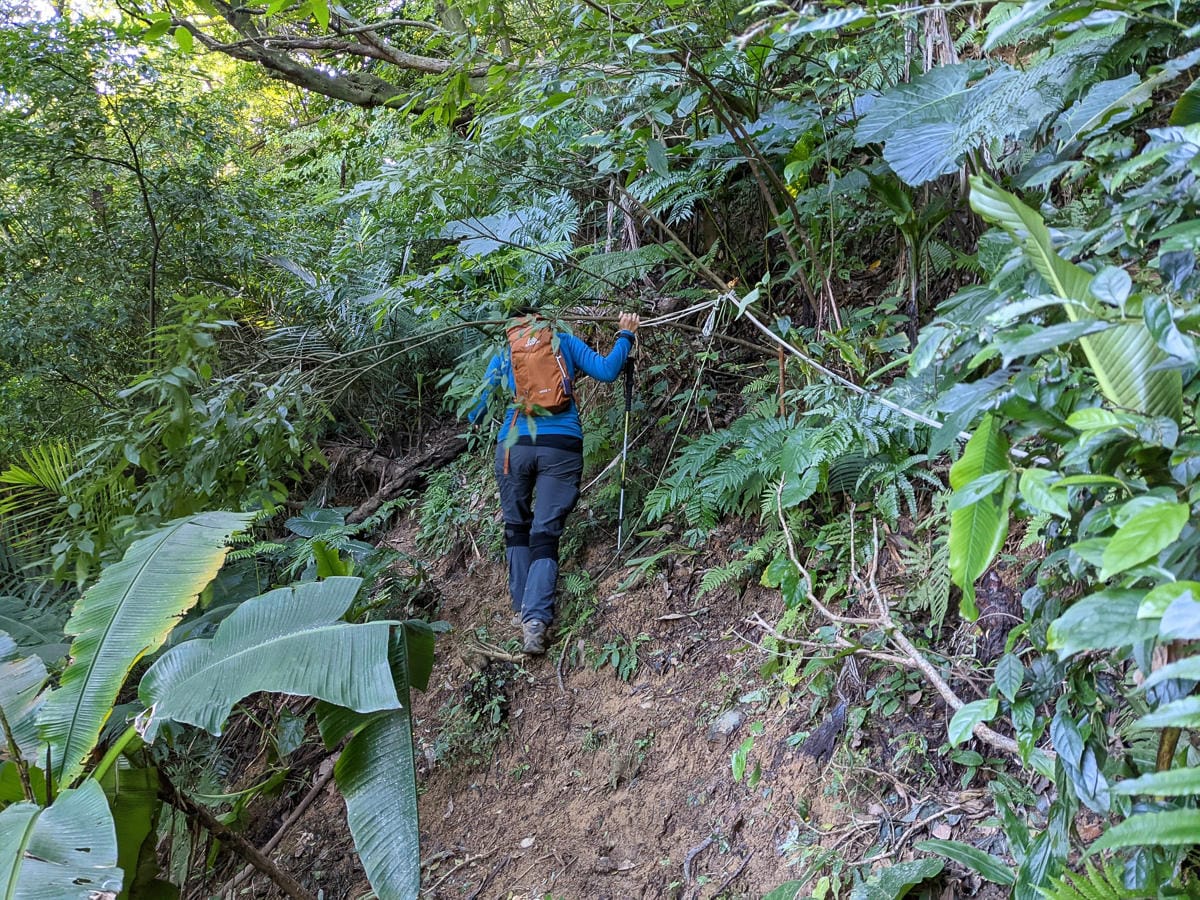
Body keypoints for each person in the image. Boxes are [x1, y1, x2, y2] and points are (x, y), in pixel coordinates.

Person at [468, 310, 641, 654]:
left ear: (512, 327)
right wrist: (625, 335)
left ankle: (521, 608)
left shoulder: (506, 352)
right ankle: (535, 621)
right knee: (545, 532)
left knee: (516, 526)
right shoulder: (563, 342)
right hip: (561, 445)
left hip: (514, 446)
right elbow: (607, 371)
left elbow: (477, 410)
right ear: (544, 321)